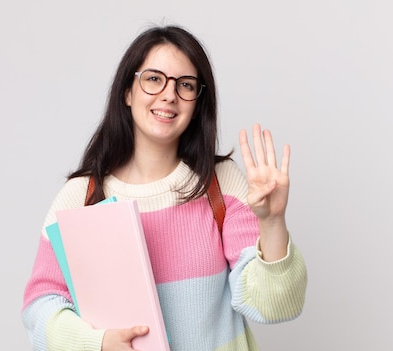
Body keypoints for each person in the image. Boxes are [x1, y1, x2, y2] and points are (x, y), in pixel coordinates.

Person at [22, 24, 307, 351]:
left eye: (185, 85)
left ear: (197, 103)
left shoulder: (220, 183)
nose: (169, 95)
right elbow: (39, 308)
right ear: (127, 92)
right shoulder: (81, 196)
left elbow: (272, 306)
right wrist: (97, 343)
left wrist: (272, 224)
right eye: (154, 79)